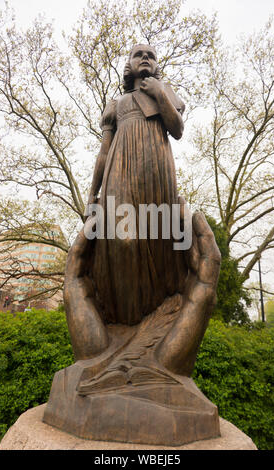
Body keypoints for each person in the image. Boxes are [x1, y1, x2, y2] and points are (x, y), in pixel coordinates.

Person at [86, 44, 188, 325]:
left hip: (157, 170)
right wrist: (92, 196)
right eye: (138, 54)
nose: (145, 57)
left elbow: (177, 130)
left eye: (151, 55)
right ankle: (123, 321)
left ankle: (153, 319)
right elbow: (104, 152)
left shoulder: (164, 92)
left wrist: (158, 93)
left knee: (159, 238)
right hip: (120, 169)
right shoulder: (116, 105)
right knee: (121, 238)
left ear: (156, 66)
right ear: (129, 65)